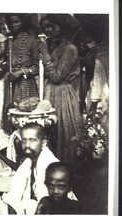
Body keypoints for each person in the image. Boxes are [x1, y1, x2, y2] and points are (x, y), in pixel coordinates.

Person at [0, 123, 77, 215]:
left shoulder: (50, 163)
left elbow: (49, 203)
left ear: (43, 143)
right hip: (33, 206)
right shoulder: (28, 162)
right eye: (24, 140)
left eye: (33, 140)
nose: (27, 145)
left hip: (52, 210)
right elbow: (14, 195)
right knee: (1, 204)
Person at [38, 14, 82, 163]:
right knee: (50, 133)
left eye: (52, 26)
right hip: (49, 93)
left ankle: (64, 169)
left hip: (62, 94)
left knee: (62, 132)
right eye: (45, 28)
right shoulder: (51, 46)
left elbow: (57, 77)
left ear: (62, 28)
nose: (48, 30)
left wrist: (45, 54)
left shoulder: (69, 49)